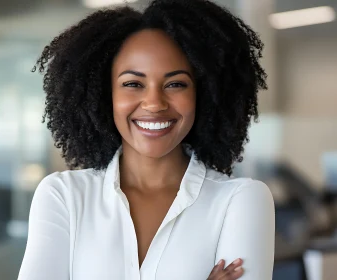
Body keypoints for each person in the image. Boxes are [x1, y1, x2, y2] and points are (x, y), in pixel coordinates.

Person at [18, 0, 275, 279]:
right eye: (133, 84)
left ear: (205, 94)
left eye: (175, 84)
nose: (154, 103)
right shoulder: (63, 196)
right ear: (105, 95)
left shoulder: (240, 201)